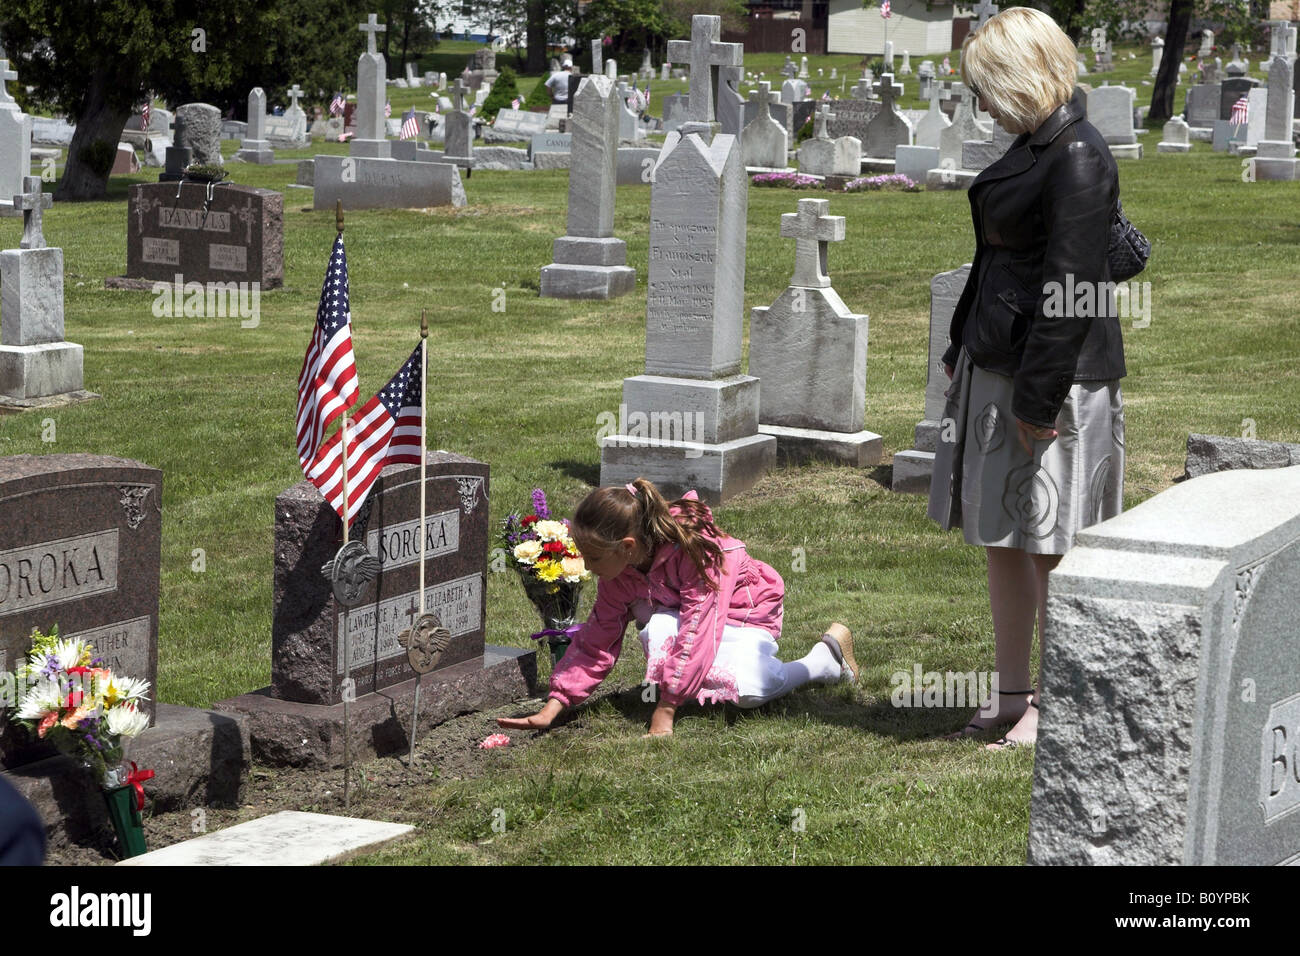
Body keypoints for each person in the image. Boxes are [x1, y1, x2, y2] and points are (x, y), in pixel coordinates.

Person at [928, 7, 1127, 750]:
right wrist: (960, 344)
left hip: (1053, 380)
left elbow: (1072, 289)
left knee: (1050, 544)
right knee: (1003, 539)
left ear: (1019, 77)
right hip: (1000, 363)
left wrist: (1039, 403)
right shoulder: (1036, 144)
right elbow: (995, 259)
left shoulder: (1076, 154)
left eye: (985, 87)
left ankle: (1061, 703)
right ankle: (1013, 693)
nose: (980, 104)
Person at [498, 478, 858, 737]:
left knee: (747, 691)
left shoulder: (696, 552)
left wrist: (666, 709)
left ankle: (821, 662)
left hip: (743, 615)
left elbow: (700, 628)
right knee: (656, 627)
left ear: (626, 546)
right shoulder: (621, 572)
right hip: (684, 614)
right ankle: (692, 683)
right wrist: (555, 704)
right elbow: (597, 639)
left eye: (592, 557)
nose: (587, 567)